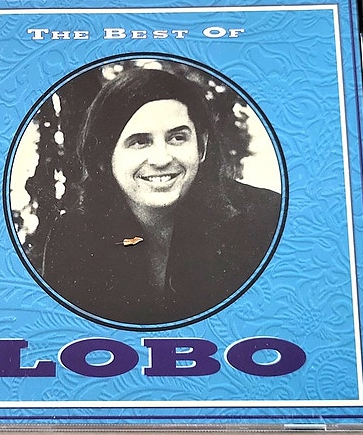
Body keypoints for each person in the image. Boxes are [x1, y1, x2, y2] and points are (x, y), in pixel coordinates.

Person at [41, 67, 281, 325]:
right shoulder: (72, 238)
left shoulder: (266, 218)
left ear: (202, 146)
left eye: (177, 138)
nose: (161, 159)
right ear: (103, 158)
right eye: (139, 141)